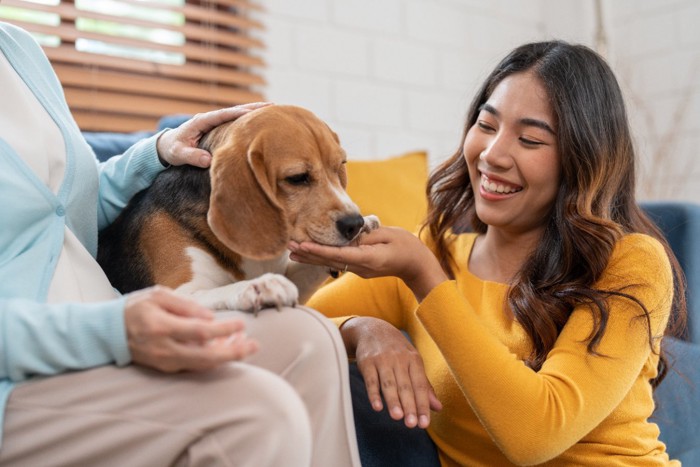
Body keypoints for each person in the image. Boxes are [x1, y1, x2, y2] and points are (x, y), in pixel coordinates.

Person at [289, 40, 688, 466]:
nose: (493, 154)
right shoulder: (435, 254)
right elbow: (281, 326)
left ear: (582, 159)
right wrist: (361, 329)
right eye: (487, 124)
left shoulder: (631, 263)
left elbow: (535, 432)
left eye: (530, 140)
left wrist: (426, 278)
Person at [0, 21, 360, 467]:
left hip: (104, 324)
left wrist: (160, 152)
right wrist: (110, 331)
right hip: (21, 373)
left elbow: (60, 212)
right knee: (256, 410)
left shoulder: (18, 49)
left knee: (311, 337)